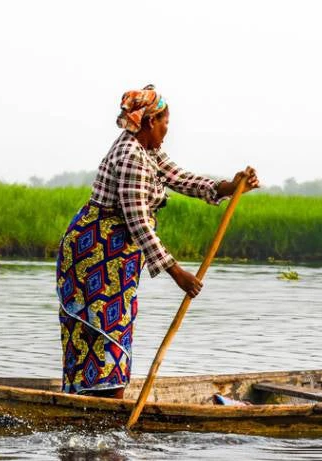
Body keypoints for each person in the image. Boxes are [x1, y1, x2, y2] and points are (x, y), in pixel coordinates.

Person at [56, 84, 259, 398]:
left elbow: (180, 178)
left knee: (115, 326)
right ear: (150, 122)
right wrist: (178, 273)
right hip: (95, 253)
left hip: (116, 254)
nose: (167, 129)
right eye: (165, 122)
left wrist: (228, 187)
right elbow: (138, 222)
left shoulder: (147, 149)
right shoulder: (130, 156)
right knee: (101, 330)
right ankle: (100, 403)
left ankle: (100, 400)